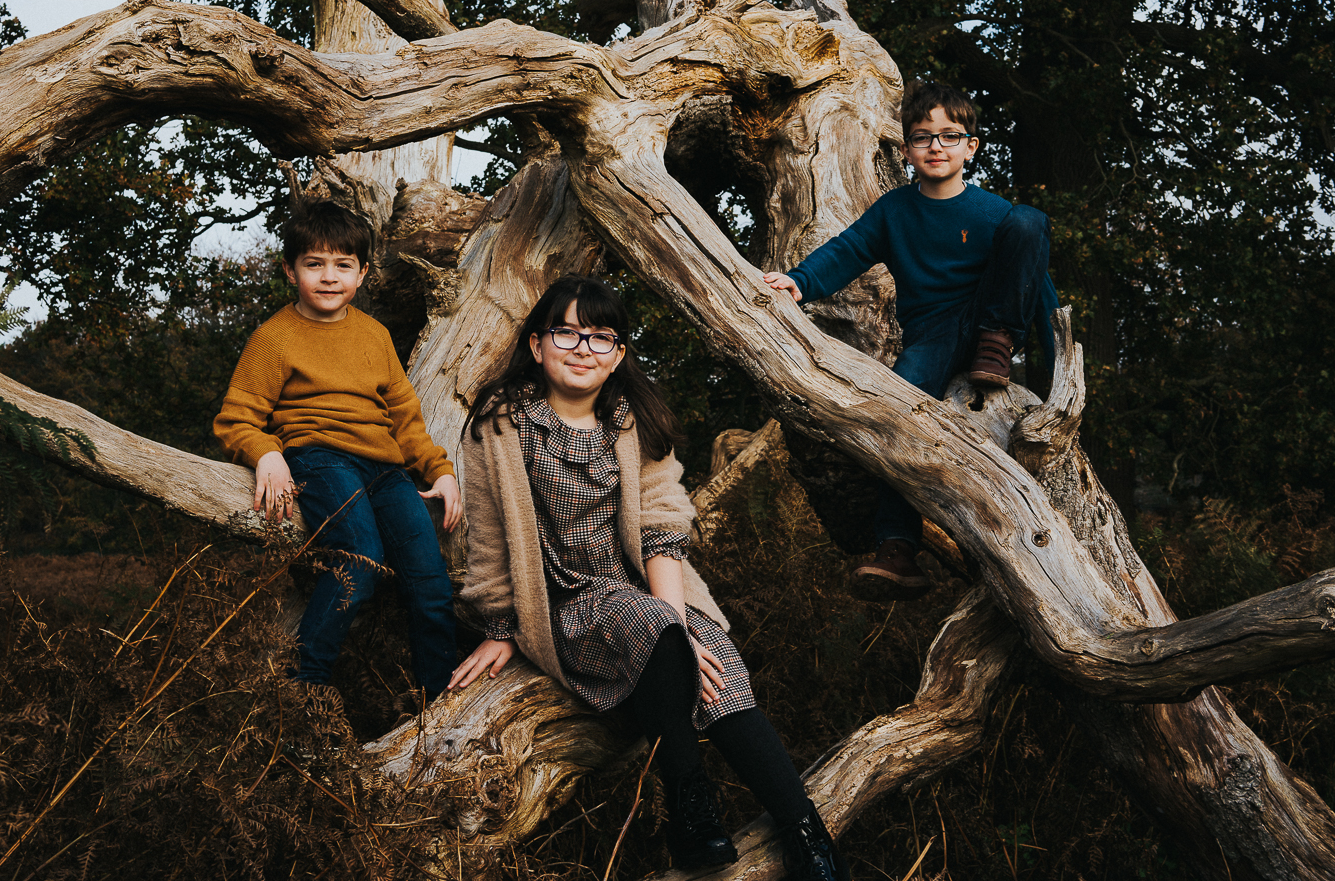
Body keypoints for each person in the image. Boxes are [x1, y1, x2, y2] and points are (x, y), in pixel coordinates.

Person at [448, 276, 849, 881]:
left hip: (646, 591)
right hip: (566, 605)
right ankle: (690, 807)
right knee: (658, 627)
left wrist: (682, 629)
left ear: (618, 355)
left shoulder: (635, 421)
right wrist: (500, 627)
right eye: (567, 332)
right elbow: (488, 538)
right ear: (537, 345)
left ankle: (808, 836)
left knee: (719, 670)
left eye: (600, 337)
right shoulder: (499, 427)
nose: (583, 348)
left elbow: (663, 528)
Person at [763, 81, 1058, 602]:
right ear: (906, 150)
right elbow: (848, 249)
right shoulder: (895, 210)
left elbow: (1038, 293)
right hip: (933, 334)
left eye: (950, 136)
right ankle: (897, 546)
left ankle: (995, 348)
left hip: (992, 327)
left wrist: (1057, 382)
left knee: (1030, 220)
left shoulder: (995, 213)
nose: (936, 146)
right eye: (923, 137)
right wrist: (799, 282)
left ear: (971, 147)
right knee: (897, 408)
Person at [214, 201, 460, 700]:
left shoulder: (374, 335)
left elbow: (405, 416)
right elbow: (236, 418)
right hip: (320, 457)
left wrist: (440, 470)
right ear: (290, 270)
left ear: (363, 272)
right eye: (315, 264)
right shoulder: (274, 337)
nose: (329, 277)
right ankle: (302, 691)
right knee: (359, 560)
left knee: (431, 582)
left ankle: (439, 703)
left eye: (343, 265)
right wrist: (267, 454)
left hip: (386, 471)